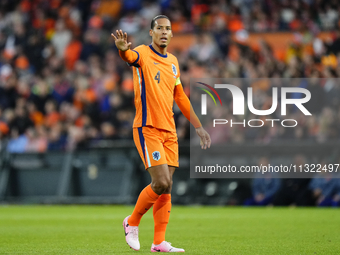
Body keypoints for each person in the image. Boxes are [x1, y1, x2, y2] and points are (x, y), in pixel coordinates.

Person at [112, 15, 211, 253]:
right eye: (160, 28)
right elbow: (130, 57)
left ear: (172, 34)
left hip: (169, 131)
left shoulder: (174, 62)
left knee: (167, 187)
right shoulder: (142, 53)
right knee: (161, 182)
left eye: (168, 29)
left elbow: (180, 97)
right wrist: (123, 51)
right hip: (148, 128)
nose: (164, 32)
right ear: (151, 32)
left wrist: (197, 125)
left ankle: (158, 242)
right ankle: (132, 221)